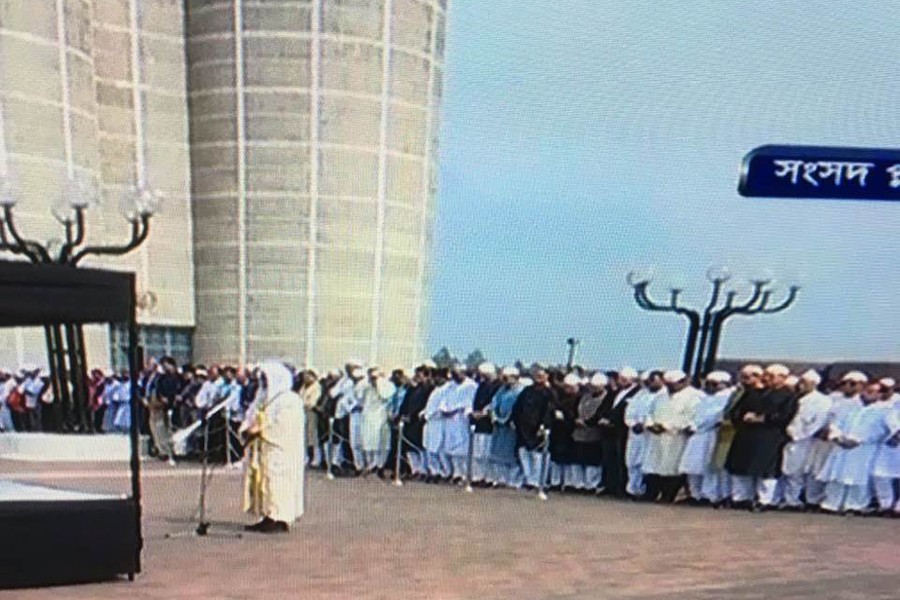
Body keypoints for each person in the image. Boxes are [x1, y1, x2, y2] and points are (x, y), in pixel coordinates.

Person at [241, 361, 305, 533]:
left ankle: (280, 518)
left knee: (278, 482)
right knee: (264, 481)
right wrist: (247, 428)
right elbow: (252, 414)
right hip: (263, 448)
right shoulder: (264, 396)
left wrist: (261, 430)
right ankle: (267, 515)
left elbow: (284, 425)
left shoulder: (290, 400)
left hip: (280, 449)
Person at [725, 364, 798, 511]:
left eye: (771, 376)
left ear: (782, 378)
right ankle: (740, 498)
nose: (767, 379)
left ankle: (764, 500)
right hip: (746, 434)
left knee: (766, 471)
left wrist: (762, 418)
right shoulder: (753, 393)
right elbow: (735, 412)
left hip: (770, 437)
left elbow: (785, 416)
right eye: (766, 375)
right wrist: (743, 417)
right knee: (741, 467)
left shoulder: (789, 396)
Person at [817, 381, 891, 515]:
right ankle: (831, 503)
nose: (868, 394)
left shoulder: (884, 410)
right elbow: (835, 423)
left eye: (872, 392)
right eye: (866, 391)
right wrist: (837, 437)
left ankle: (854, 505)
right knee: (837, 475)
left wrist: (859, 440)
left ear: (880, 394)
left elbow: (881, 431)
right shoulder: (849, 405)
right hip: (841, 444)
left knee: (858, 478)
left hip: (863, 448)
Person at [642, 370, 702, 503]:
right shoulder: (661, 396)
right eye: (668, 384)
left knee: (672, 466)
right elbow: (649, 412)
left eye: (673, 384)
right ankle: (650, 493)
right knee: (653, 465)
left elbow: (691, 417)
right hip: (657, 437)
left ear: (683, 382)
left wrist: (667, 426)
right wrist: (650, 424)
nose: (670, 387)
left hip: (676, 437)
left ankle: (668, 495)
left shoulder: (694, 397)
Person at [678, 371, 733, 506]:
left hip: (712, 434)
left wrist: (698, 427)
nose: (710, 387)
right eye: (708, 383)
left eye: (713, 384)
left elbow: (715, 418)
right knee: (692, 466)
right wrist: (690, 425)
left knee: (709, 467)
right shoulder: (706, 398)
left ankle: (709, 495)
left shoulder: (726, 398)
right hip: (696, 435)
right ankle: (695, 494)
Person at [780, 369, 832, 510]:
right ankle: (791, 500)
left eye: (805, 382)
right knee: (791, 470)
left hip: (808, 440)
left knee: (807, 471)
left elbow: (817, 422)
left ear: (814, 383)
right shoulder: (796, 398)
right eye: (801, 381)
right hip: (792, 438)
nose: (801, 384)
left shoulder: (822, 401)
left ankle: (808, 500)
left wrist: (798, 434)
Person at [596, 367, 640, 497]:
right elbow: (606, 407)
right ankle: (610, 485)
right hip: (608, 430)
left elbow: (628, 411)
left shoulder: (636, 394)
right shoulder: (614, 392)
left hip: (622, 430)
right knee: (609, 459)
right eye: (621, 379)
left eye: (624, 379)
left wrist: (614, 421)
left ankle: (621, 487)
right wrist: (603, 418)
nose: (621, 381)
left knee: (621, 460)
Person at [512, 368, 556, 489]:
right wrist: (514, 420)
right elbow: (517, 407)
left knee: (538, 455)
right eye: (537, 375)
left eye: (541, 375)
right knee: (523, 453)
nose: (539, 378)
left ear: (547, 376)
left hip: (538, 428)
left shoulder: (549, 392)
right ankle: (529, 479)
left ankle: (538, 480)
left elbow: (550, 410)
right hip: (523, 427)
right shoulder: (527, 391)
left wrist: (544, 425)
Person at [624, 371, 664, 498]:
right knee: (632, 461)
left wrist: (647, 424)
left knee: (647, 463)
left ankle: (646, 491)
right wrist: (633, 423)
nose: (649, 383)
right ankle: (632, 489)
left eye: (653, 380)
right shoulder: (640, 394)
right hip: (636, 433)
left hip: (651, 434)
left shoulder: (664, 396)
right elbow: (630, 412)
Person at [571, 372, 608, 492]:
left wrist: (588, 422)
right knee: (578, 459)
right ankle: (578, 484)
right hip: (579, 432)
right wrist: (576, 419)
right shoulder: (585, 396)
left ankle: (591, 484)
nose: (594, 388)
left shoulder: (606, 398)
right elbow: (577, 409)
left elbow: (601, 413)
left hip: (594, 433)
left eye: (597, 386)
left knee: (592, 461)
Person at [488, 367, 524, 488]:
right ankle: (499, 478)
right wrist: (495, 417)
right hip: (500, 426)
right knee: (498, 453)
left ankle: (513, 480)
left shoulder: (520, 391)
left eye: (507, 378)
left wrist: (508, 419)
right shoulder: (501, 390)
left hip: (511, 426)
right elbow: (494, 403)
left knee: (511, 454)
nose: (505, 380)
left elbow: (518, 408)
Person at [441, 365, 478, 482]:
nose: (455, 377)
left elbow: (469, 403)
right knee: (450, 447)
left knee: (462, 449)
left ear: (463, 373)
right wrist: (444, 409)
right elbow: (444, 400)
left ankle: (464, 474)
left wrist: (456, 409)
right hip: (449, 420)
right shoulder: (450, 386)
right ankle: (455, 472)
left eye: (457, 374)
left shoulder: (471, 386)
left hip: (461, 419)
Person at [358, 368, 396, 474]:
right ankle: (371, 464)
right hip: (368, 418)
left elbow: (386, 395)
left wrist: (378, 385)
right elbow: (359, 396)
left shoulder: (388, 386)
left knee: (382, 443)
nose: (373, 380)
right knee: (368, 442)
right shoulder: (366, 386)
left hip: (381, 417)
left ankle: (380, 465)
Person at [547, 373, 580, 490]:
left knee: (567, 459)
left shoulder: (579, 398)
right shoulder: (560, 397)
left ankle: (567, 482)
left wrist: (566, 417)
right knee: (556, 458)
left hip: (570, 431)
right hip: (559, 431)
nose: (567, 389)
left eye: (570, 387)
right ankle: (555, 481)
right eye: (566, 387)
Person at [469, 363, 501, 485]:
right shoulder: (481, 385)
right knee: (478, 453)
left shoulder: (498, 386)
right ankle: (478, 476)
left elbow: (494, 402)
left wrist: (484, 412)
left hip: (489, 423)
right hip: (478, 423)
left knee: (488, 453)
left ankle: (490, 478)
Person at [872, 378, 900, 516]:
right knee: (880, 474)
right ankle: (885, 504)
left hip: (896, 442)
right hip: (887, 444)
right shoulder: (882, 404)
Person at [150, 357, 181, 466]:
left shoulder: (178, 377)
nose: (164, 367)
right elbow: (158, 389)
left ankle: (173, 452)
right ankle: (166, 451)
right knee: (162, 429)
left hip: (174, 406)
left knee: (172, 429)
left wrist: (173, 398)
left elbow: (179, 390)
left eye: (166, 364)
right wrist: (161, 397)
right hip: (164, 406)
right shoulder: (162, 378)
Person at [299, 369, 322, 468]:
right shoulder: (303, 387)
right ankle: (305, 457)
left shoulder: (316, 387)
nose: (306, 378)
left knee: (313, 435)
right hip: (303, 412)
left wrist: (304, 403)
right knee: (304, 435)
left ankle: (317, 458)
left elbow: (312, 402)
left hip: (311, 413)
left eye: (308, 376)